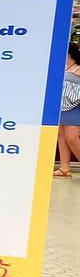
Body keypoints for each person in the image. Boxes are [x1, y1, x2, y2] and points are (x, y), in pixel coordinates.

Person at [57, 42, 80, 177]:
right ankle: (64, 168)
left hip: (75, 107)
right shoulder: (62, 68)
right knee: (62, 137)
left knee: (72, 137)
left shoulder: (78, 68)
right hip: (61, 107)